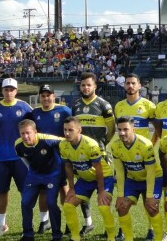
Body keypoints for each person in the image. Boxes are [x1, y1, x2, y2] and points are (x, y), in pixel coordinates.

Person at [0, 78, 33, 237]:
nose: (8, 92)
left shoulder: (25, 107)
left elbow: (32, 131)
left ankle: (27, 225)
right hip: (1, 158)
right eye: (6, 89)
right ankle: (1, 225)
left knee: (25, 191)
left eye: (11, 89)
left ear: (16, 91)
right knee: (2, 191)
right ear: (2, 90)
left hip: (21, 158)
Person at [71, 72, 116, 235]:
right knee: (83, 191)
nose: (85, 88)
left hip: (99, 154)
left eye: (89, 85)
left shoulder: (104, 105)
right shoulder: (75, 105)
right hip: (81, 156)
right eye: (83, 85)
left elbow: (111, 129)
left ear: (95, 86)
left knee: (103, 192)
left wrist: (102, 144)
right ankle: (88, 222)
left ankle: (107, 227)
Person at [60, 116, 117, 241]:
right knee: (68, 206)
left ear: (79, 130)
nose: (67, 133)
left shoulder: (90, 144)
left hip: (103, 177)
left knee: (103, 206)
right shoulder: (63, 145)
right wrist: (71, 188)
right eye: (65, 130)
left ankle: (111, 237)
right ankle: (75, 237)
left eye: (70, 130)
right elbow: (68, 167)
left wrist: (101, 191)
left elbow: (99, 169)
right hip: (85, 179)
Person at [109, 116, 165, 241]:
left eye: (125, 129)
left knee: (151, 208)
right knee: (122, 207)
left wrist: (150, 196)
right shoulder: (115, 146)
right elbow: (119, 171)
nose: (122, 133)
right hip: (133, 179)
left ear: (133, 129)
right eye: (119, 130)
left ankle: (160, 236)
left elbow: (150, 172)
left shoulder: (145, 145)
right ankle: (128, 238)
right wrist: (120, 195)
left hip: (153, 178)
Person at [31, 84, 72, 235]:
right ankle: (44, 221)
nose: (46, 98)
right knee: (43, 189)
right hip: (42, 157)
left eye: (49, 95)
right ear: (39, 97)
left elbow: (72, 129)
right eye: (43, 95)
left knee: (64, 188)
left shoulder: (64, 111)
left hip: (61, 157)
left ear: (54, 96)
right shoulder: (34, 113)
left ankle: (69, 221)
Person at [14, 120, 65, 241]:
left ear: (35, 132)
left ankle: (57, 235)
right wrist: (32, 172)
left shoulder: (47, 139)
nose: (25, 136)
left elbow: (66, 141)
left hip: (52, 174)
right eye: (22, 133)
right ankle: (28, 234)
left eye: (28, 133)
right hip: (34, 175)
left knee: (51, 203)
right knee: (25, 203)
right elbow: (23, 159)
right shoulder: (18, 145)